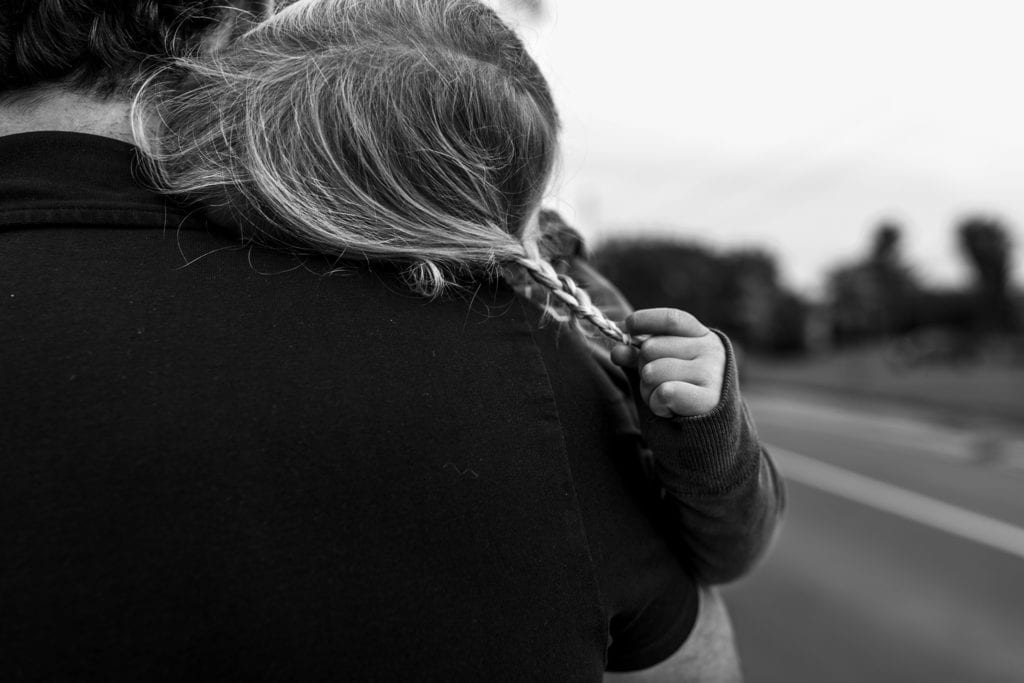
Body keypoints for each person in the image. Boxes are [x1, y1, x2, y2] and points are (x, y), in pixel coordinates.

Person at [0, 1, 779, 679]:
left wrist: (704, 429)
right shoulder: (520, 361)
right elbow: (696, 630)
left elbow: (732, 531)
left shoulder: (548, 306)